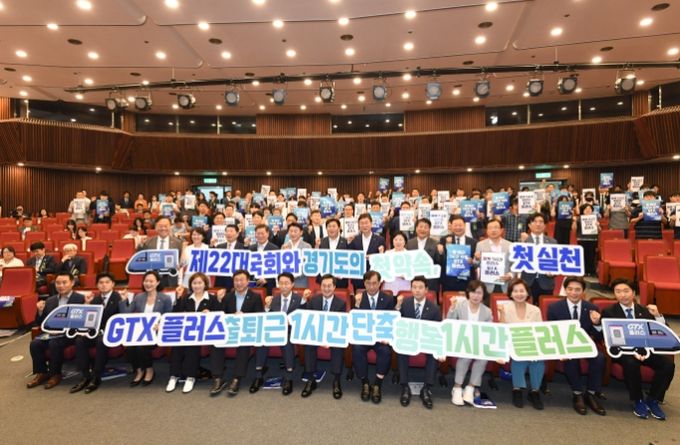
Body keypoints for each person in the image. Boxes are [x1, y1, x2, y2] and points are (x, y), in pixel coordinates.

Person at [596, 278, 675, 420]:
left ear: (633, 293)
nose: (622, 295)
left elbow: (664, 332)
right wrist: (597, 324)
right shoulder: (609, 312)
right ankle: (638, 400)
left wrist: (658, 316)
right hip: (623, 351)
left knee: (668, 365)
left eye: (626, 291)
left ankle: (653, 399)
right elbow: (604, 336)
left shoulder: (645, 311)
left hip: (645, 350)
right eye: (618, 291)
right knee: (631, 363)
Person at [547, 276, 606, 415]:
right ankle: (577, 393)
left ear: (583, 291)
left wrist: (597, 324)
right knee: (571, 358)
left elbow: (598, 336)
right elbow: (551, 331)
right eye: (570, 289)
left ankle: (591, 393)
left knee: (599, 358)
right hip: (564, 344)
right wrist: (560, 349)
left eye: (577, 289)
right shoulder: (554, 308)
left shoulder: (591, 308)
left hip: (585, 344)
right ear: (565, 290)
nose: (574, 293)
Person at [252, 272, 311, 395]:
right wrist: (266, 308)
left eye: (286, 283)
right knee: (262, 339)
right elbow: (266, 318)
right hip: (275, 330)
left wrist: (304, 301)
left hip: (291, 330)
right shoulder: (274, 299)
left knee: (287, 341)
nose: (283, 286)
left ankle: (289, 377)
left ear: (292, 284)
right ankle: (258, 375)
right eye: (281, 283)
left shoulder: (299, 299)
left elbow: (305, 316)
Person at [209, 269, 264, 397]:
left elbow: (260, 317)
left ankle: (236, 378)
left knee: (243, 344)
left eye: (241, 280)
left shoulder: (255, 297)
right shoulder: (227, 296)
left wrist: (245, 317)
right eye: (236, 280)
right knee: (216, 342)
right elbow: (220, 315)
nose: (239, 283)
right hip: (229, 331)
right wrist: (218, 301)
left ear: (248, 281)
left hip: (246, 331)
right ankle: (218, 378)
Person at [26, 272, 85, 389]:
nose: (61, 286)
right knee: (35, 343)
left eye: (64, 282)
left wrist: (64, 330)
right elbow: (40, 322)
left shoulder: (80, 299)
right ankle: (42, 373)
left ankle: (55, 374)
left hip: (70, 334)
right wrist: (40, 311)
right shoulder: (50, 300)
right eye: (58, 283)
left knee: (54, 343)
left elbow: (82, 321)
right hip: (51, 333)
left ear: (72, 283)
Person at [70, 272, 124, 394]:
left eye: (107, 282)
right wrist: (87, 304)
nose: (104, 285)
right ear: (97, 285)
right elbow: (87, 319)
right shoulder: (95, 299)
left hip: (112, 332)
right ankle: (85, 376)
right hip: (95, 332)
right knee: (80, 341)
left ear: (113, 284)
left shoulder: (118, 298)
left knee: (101, 341)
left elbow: (123, 317)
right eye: (101, 283)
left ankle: (96, 376)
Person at [168, 273, 221, 394]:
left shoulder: (212, 299)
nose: (197, 286)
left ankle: (190, 377)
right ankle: (173, 376)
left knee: (192, 345)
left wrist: (210, 314)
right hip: (186, 332)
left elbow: (219, 316)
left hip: (205, 334)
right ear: (190, 285)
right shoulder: (186, 298)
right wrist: (178, 298)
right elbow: (176, 314)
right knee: (177, 344)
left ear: (205, 284)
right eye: (194, 283)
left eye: (200, 283)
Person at [498, 278, 545, 410]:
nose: (519, 294)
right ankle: (517, 389)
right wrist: (501, 314)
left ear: (527, 293)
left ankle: (534, 391)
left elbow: (540, 331)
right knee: (518, 357)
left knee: (538, 359)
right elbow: (501, 330)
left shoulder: (535, 310)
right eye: (516, 291)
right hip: (511, 343)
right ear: (511, 293)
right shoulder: (504, 308)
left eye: (522, 291)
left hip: (531, 343)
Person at [121, 270, 173, 386]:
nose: (148, 283)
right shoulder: (139, 297)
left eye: (151, 281)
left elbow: (169, 316)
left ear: (157, 283)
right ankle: (139, 370)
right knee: (129, 346)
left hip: (156, 332)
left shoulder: (165, 298)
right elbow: (126, 314)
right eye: (146, 281)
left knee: (141, 347)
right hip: (140, 332)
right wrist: (124, 300)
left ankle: (149, 370)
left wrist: (161, 325)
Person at [395, 275, 441, 409]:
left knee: (433, 352)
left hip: (426, 341)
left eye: (420, 287)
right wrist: (397, 307)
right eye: (414, 287)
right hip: (408, 340)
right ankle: (405, 386)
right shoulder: (405, 303)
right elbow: (395, 322)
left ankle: (426, 388)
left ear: (426, 290)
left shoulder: (434, 308)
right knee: (401, 348)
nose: (417, 290)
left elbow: (438, 331)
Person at [447, 280, 493, 408]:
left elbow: (490, 331)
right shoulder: (459, 305)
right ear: (468, 293)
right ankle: (457, 387)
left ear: (483, 295)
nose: (476, 296)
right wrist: (452, 308)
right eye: (473, 292)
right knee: (466, 355)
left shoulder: (487, 311)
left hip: (478, 343)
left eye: (479, 293)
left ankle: (470, 387)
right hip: (461, 341)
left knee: (483, 358)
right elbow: (449, 323)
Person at [352, 270, 396, 404]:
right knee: (357, 348)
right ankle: (365, 382)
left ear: (380, 283)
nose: (371, 287)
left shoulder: (388, 299)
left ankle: (377, 383)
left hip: (380, 337)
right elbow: (354, 322)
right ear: (364, 283)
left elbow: (392, 321)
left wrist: (388, 337)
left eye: (374, 283)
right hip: (364, 337)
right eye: (368, 283)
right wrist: (357, 306)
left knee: (385, 350)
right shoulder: (359, 298)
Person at [300, 274, 347, 399]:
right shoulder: (314, 300)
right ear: (320, 287)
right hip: (316, 335)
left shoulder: (341, 303)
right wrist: (319, 338)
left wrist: (329, 339)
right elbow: (307, 319)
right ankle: (311, 380)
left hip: (333, 335)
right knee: (308, 344)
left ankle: (336, 380)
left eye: (329, 286)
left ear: (334, 287)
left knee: (337, 345)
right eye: (324, 286)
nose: (326, 289)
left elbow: (341, 325)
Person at [520, 213, 557, 300]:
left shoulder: (552, 242)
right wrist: (523, 243)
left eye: (541, 222)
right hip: (527, 282)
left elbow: (557, 262)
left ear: (545, 225)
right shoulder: (521, 242)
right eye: (535, 221)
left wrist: (553, 272)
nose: (538, 224)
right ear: (529, 225)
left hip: (546, 282)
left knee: (545, 306)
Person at [139, 217, 184, 287]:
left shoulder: (178, 243)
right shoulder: (148, 242)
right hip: (152, 279)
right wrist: (141, 246)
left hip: (171, 278)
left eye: (166, 226)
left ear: (170, 227)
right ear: (156, 227)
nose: (163, 228)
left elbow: (181, 261)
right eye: (160, 226)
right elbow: (141, 259)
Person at [474, 219, 513, 296]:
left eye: (496, 227)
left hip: (505, 284)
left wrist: (510, 275)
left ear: (501, 230)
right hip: (486, 285)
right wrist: (476, 259)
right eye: (490, 228)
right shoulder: (480, 245)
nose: (493, 230)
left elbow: (514, 265)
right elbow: (476, 264)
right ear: (486, 231)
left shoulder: (510, 245)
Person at [349, 213, 386, 291]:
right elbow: (349, 256)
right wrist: (348, 242)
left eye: (366, 223)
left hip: (374, 276)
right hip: (358, 277)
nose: (364, 225)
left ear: (371, 224)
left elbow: (383, 259)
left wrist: (374, 257)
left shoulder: (380, 239)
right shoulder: (355, 239)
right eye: (362, 223)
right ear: (359, 225)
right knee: (359, 297)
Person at [438, 215, 476, 292]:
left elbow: (476, 263)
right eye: (455, 225)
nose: (458, 227)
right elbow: (440, 260)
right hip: (448, 281)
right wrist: (441, 252)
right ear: (451, 226)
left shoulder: (473, 242)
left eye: (460, 225)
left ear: (465, 226)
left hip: (467, 281)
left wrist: (472, 262)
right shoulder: (444, 240)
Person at [406, 218, 441, 291]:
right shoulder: (409, 243)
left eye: (425, 227)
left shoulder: (435, 243)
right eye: (421, 226)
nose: (423, 229)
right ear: (416, 228)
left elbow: (438, 262)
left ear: (429, 230)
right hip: (413, 280)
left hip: (430, 281)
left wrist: (441, 253)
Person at [317, 218, 349, 289]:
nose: (331, 229)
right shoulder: (321, 241)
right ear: (326, 229)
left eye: (334, 226)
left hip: (340, 279)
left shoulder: (345, 242)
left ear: (339, 228)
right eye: (329, 226)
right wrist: (316, 246)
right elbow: (316, 258)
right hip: (324, 278)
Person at [248, 224, 279, 294]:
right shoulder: (251, 248)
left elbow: (277, 268)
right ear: (255, 234)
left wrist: (266, 279)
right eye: (258, 233)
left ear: (267, 234)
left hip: (268, 285)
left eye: (262, 233)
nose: (260, 236)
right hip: (253, 284)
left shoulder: (275, 249)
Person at [281, 222, 312, 288]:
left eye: (295, 231)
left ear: (301, 232)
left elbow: (308, 265)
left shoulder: (307, 246)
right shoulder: (284, 246)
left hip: (301, 280)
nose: (293, 233)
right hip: (286, 281)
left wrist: (297, 274)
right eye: (291, 231)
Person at [573, 204, 600, 276]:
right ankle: (583, 271)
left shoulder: (595, 218)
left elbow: (599, 230)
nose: (588, 210)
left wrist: (598, 226)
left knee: (591, 255)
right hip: (582, 239)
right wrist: (574, 222)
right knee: (583, 256)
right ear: (583, 211)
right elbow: (574, 229)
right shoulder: (579, 218)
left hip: (592, 239)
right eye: (586, 209)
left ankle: (591, 271)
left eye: (589, 209)